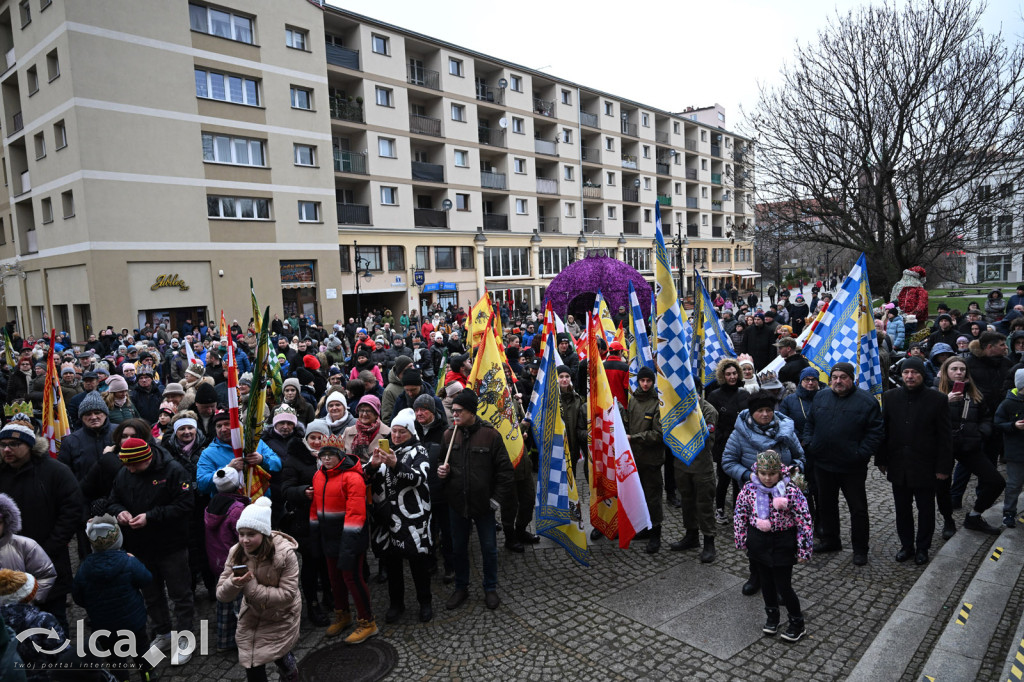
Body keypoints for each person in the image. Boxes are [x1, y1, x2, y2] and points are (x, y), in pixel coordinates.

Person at [106, 437, 195, 664]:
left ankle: (185, 639)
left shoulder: (173, 470)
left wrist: (151, 516)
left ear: (147, 458)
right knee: (151, 594)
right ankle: (163, 633)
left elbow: (185, 504)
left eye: (135, 465)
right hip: (140, 547)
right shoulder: (124, 473)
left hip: (171, 545)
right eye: (127, 465)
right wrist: (120, 512)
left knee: (180, 594)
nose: (130, 469)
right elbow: (113, 500)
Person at [0, 414, 82, 630]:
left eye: (14, 444)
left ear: (29, 445)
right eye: (3, 445)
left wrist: (48, 548)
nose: (7, 450)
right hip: (6, 564)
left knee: (53, 623)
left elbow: (72, 510)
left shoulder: (56, 472)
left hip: (48, 559)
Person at [437, 389, 514, 611]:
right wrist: (442, 473)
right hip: (457, 504)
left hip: (484, 505)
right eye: (453, 411)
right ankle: (461, 587)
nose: (454, 415)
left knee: (489, 548)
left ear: (471, 412)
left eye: (459, 411)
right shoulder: (448, 435)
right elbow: (442, 463)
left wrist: (495, 500)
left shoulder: (490, 436)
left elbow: (505, 472)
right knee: (458, 548)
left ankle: (490, 588)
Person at [722, 391, 805, 595]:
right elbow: (728, 462)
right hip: (753, 499)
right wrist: (748, 476)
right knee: (757, 540)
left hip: (783, 498)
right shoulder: (740, 434)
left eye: (769, 410)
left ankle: (781, 584)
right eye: (760, 410)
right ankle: (756, 575)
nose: (766, 414)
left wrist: (795, 469)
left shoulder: (785, 431)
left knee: (784, 542)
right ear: (752, 413)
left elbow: (800, 456)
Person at [802, 362, 883, 566]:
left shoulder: (867, 402)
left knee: (858, 509)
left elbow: (875, 433)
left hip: (851, 467)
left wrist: (860, 454)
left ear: (852, 379)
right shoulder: (821, 396)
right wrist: (810, 443)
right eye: (835, 377)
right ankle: (830, 540)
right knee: (826, 505)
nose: (838, 381)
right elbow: (810, 423)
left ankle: (860, 549)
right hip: (823, 464)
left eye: (843, 377)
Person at [216, 497, 301, 682]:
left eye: (251, 534)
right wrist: (234, 582)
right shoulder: (236, 552)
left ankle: (289, 669)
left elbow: (287, 595)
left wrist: (252, 588)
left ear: (263, 534)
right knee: (252, 661)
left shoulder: (285, 555)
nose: (244, 540)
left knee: (278, 653)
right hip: (252, 615)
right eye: (241, 534)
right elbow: (221, 594)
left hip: (281, 615)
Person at [877, 357, 952, 565]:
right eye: (906, 373)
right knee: (902, 510)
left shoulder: (937, 400)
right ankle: (907, 545)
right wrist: (881, 459)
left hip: (926, 466)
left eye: (914, 373)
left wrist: (943, 467)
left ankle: (923, 547)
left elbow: (945, 437)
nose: (910, 376)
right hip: (899, 464)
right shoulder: (890, 397)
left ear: (922, 374)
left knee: (926, 510)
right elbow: (885, 431)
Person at [733, 450, 812, 642]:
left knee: (783, 586)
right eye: (763, 474)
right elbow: (740, 514)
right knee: (766, 583)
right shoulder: (749, 489)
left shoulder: (791, 490)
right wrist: (741, 538)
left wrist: (804, 548)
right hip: (758, 542)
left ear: (780, 472)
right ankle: (772, 616)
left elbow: (804, 520)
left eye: (772, 474)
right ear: (757, 472)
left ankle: (797, 622)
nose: (768, 478)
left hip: (783, 542)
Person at [366, 409, 433, 623]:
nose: (395, 436)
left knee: (417, 562)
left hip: (412, 518)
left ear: (411, 433)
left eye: (401, 432)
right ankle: (396, 603)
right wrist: (373, 466)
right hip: (386, 518)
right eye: (393, 431)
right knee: (392, 563)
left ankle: (425, 602)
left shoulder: (419, 451)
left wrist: (395, 464)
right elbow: (365, 476)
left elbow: (417, 477)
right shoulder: (383, 450)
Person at [309, 434, 377, 643]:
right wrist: (314, 534)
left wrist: (349, 544)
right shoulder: (318, 476)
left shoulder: (352, 477)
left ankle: (367, 621)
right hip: (328, 537)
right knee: (334, 578)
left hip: (350, 537)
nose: (327, 459)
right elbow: (315, 507)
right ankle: (343, 613)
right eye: (323, 455)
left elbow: (356, 513)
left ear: (340, 455)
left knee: (352, 578)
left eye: (331, 455)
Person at [71, 515, 153, 678]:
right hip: (134, 622)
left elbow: (77, 597)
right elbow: (146, 579)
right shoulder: (128, 562)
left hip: (103, 626)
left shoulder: (84, 568)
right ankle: (149, 675)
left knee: (115, 658)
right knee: (142, 649)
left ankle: (122, 679)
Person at [935, 357, 1005, 536]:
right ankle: (948, 521)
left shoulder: (975, 392)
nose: (959, 372)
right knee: (943, 487)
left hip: (969, 445)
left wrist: (981, 433)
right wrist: (944, 401)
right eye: (954, 369)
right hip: (944, 448)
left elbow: (986, 417)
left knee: (996, 481)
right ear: (945, 372)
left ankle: (974, 516)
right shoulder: (935, 393)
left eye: (962, 369)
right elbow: (925, 420)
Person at [280, 420, 333, 628]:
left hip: (329, 518)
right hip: (305, 520)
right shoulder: (295, 459)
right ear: (306, 439)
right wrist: (303, 492)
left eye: (321, 438)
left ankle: (330, 595)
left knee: (327, 562)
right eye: (313, 438)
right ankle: (312, 604)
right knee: (311, 564)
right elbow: (286, 488)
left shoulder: (334, 456)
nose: (317, 442)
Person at [204, 466, 249, 652]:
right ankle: (245, 640)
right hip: (236, 563)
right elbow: (243, 538)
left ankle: (225, 639)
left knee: (224, 599)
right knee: (240, 604)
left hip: (217, 561)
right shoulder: (238, 509)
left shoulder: (212, 505)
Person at [669, 397, 719, 563]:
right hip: (682, 464)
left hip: (701, 466)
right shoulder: (677, 407)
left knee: (704, 504)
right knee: (687, 501)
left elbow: (707, 441)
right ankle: (691, 536)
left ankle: (709, 542)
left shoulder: (708, 410)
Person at [626, 367, 666, 553]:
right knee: (639, 496)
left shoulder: (657, 403)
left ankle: (656, 533)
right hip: (636, 458)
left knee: (653, 498)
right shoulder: (633, 400)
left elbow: (658, 434)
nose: (645, 384)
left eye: (648, 381)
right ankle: (644, 528)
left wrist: (634, 438)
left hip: (651, 460)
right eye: (642, 380)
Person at [708, 359, 750, 524]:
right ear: (722, 376)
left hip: (743, 443)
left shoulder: (744, 394)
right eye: (728, 374)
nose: (732, 377)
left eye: (734, 373)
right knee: (724, 479)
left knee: (739, 479)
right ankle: (719, 509)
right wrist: (720, 438)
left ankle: (738, 509)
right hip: (724, 444)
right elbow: (711, 422)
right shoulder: (715, 395)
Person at [0, 495, 56, 604]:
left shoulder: (25, 545)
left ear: (6, 521)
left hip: (22, 616)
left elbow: (46, 574)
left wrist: (30, 599)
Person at [995, 370, 1024, 528]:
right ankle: (1009, 512)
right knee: (1014, 484)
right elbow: (998, 423)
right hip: (1015, 452)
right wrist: (1014, 426)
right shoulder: (1008, 403)